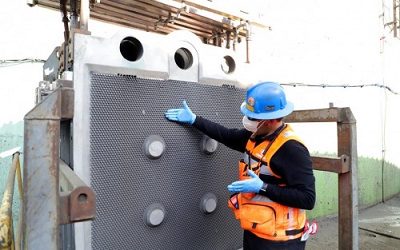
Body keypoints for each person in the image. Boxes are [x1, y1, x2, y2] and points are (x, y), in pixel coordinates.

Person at [165, 82, 315, 250]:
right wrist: (194, 120)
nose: (247, 120)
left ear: (271, 120)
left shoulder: (292, 150)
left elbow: (307, 199)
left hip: (282, 241)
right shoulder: (256, 135)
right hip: (256, 230)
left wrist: (263, 187)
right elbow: (226, 135)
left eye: (253, 117)